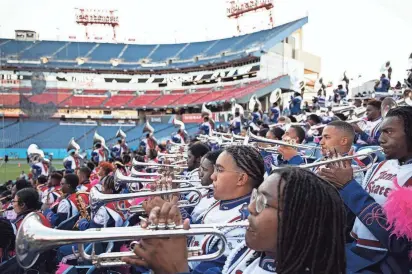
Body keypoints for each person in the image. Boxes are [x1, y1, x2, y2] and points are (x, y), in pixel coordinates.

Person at [122, 167, 346, 274]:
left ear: (297, 221)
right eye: (255, 197)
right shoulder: (252, 253)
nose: (249, 207)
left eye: (262, 202)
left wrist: (174, 270)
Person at [318, 106, 412, 273]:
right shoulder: (379, 166)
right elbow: (354, 216)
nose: (381, 139)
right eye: (381, 132)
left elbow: (399, 243)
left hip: (384, 264)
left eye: (389, 132)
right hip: (354, 251)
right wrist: (334, 188)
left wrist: (348, 186)